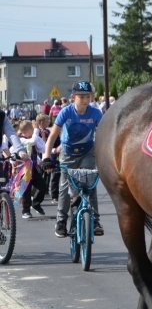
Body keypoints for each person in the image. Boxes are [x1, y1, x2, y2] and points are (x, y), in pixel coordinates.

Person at [40, 81, 104, 238]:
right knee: (64, 188)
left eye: (87, 96)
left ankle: (95, 220)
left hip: (87, 152)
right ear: (73, 97)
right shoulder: (66, 112)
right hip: (68, 153)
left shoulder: (95, 113)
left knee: (90, 183)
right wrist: (47, 157)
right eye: (81, 96)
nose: (84, 100)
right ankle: (61, 221)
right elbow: (53, 135)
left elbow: (104, 134)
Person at [17, 119, 47, 219]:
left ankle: (36, 203)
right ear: (27, 130)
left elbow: (42, 148)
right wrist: (35, 130)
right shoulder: (21, 140)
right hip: (24, 171)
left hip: (33, 169)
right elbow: (32, 141)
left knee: (43, 187)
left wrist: (41, 137)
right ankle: (26, 210)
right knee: (26, 190)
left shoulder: (33, 137)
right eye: (31, 129)